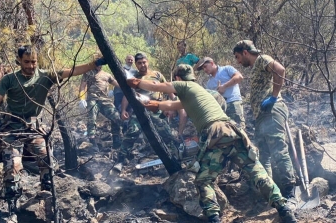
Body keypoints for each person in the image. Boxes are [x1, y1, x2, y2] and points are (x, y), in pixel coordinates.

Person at [126, 64, 297, 223]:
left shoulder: (185, 86)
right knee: (256, 171)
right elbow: (169, 104)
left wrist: (133, 82)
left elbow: (156, 87)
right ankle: (283, 208)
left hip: (215, 135)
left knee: (203, 180)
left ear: (178, 79)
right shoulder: (198, 92)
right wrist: (151, 104)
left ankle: (214, 218)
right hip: (233, 132)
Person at [0, 45, 107, 213]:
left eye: (33, 62)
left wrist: (94, 64)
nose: (30, 66)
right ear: (19, 60)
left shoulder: (46, 76)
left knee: (48, 162)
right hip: (12, 128)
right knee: (13, 168)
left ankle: (49, 205)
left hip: (35, 128)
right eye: (26, 62)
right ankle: (12, 209)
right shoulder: (9, 79)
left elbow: (72, 71)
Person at [233, 40, 297, 209]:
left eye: (238, 57)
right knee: (263, 156)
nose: (238, 61)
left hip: (272, 111)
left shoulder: (262, 59)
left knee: (278, 150)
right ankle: (271, 195)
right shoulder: (256, 67)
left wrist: (274, 97)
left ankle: (291, 194)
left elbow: (280, 70)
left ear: (245, 52)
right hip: (261, 117)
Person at [118, 52, 178, 162]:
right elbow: (127, 96)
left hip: (158, 109)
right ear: (136, 64)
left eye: (144, 62)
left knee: (166, 134)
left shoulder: (157, 74)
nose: (142, 65)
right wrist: (123, 110)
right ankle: (120, 160)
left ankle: (175, 157)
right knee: (132, 133)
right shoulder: (133, 78)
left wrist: (174, 105)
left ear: (148, 62)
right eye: (139, 63)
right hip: (140, 110)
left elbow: (169, 89)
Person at [79, 58, 122, 150]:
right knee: (92, 119)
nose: (99, 65)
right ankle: (92, 143)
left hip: (105, 100)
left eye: (100, 64)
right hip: (92, 99)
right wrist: (82, 98)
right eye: (97, 64)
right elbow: (82, 86)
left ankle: (117, 140)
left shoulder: (107, 75)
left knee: (116, 117)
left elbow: (118, 84)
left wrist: (128, 87)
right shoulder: (88, 73)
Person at [197, 57, 246, 129]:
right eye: (203, 69)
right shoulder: (209, 83)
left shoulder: (226, 69)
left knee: (239, 129)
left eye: (205, 66)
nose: (204, 70)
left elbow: (239, 77)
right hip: (220, 110)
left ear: (211, 63)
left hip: (233, 103)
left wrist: (224, 86)